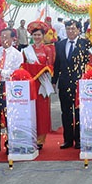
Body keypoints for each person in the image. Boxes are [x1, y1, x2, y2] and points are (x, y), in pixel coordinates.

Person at [53, 20, 89, 150]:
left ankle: (79, 139)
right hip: (64, 82)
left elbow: (88, 64)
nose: (70, 31)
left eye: (73, 29)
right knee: (66, 112)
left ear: (79, 30)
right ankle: (68, 139)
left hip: (80, 83)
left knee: (79, 112)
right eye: (68, 29)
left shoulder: (85, 44)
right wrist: (54, 80)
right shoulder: (60, 44)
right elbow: (57, 64)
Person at [21, 21, 54, 149]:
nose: (37, 37)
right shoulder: (26, 51)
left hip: (43, 83)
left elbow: (50, 66)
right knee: (30, 109)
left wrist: (41, 70)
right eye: (34, 35)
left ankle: (40, 139)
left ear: (43, 35)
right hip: (31, 83)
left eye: (39, 35)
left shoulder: (48, 49)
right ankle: (31, 136)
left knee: (42, 110)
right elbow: (23, 66)